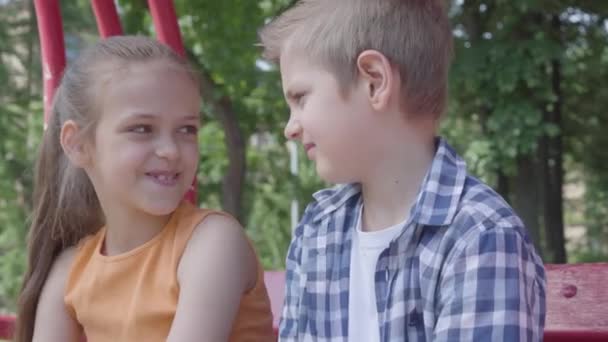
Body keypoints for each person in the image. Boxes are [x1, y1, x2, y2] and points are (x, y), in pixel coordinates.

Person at [258, 0, 546, 341]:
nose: (290, 127)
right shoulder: (318, 229)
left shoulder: (481, 237)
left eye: (300, 98)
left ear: (374, 81)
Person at [15, 35, 274, 342]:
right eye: (142, 129)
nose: (170, 150)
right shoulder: (69, 272)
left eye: (186, 129)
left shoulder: (212, 244)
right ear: (78, 144)